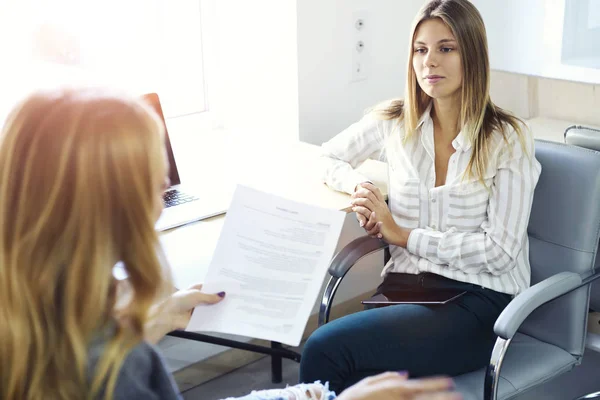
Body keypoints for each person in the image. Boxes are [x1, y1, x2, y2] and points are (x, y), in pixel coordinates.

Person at [0, 87, 462, 400]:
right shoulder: (117, 369)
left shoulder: (37, 315)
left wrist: (140, 329)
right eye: (149, 173)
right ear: (100, 201)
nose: (164, 184)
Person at [299, 0, 542, 393]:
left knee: (324, 349)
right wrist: (361, 186)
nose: (430, 61)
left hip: (479, 301)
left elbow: (501, 251)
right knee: (351, 374)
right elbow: (325, 156)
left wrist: (404, 235)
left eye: (446, 48)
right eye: (420, 49)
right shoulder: (394, 123)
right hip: (409, 289)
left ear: (473, 55)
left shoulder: (507, 138)